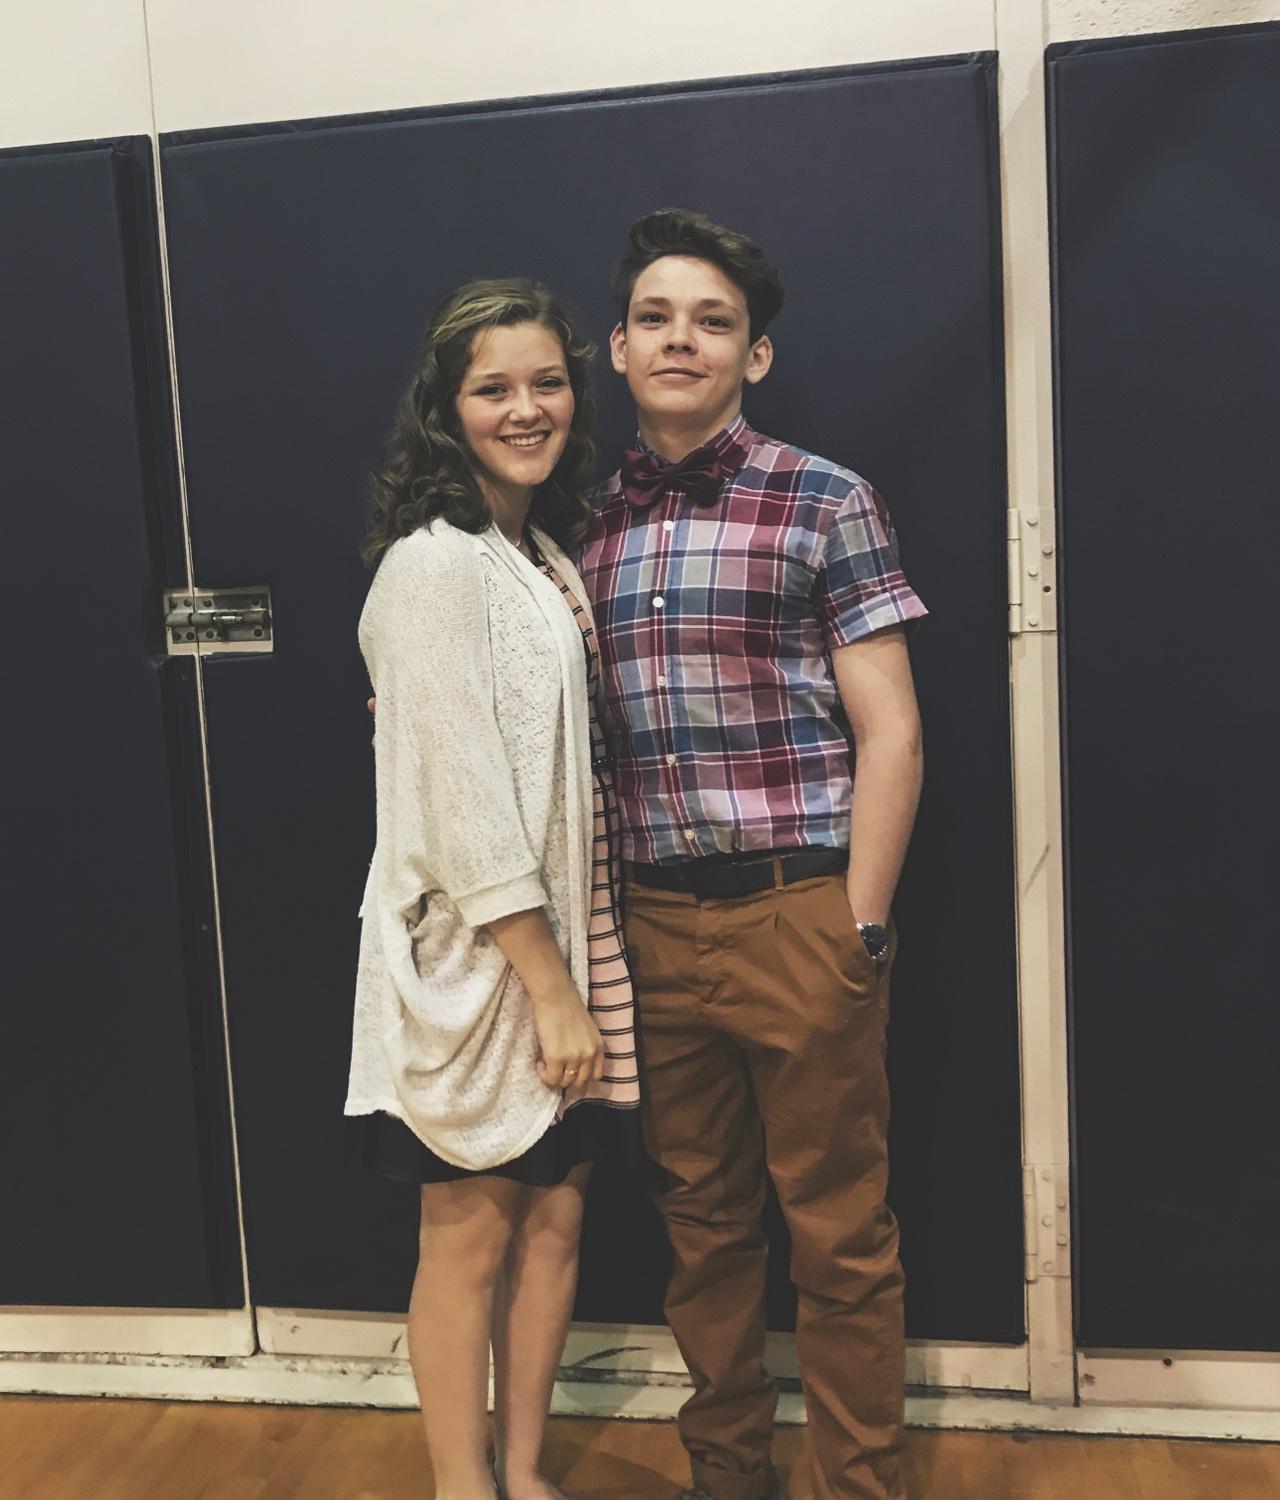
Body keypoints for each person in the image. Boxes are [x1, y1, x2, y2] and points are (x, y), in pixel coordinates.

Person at [578, 210, 927, 1500]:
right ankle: (727, 1473)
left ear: (754, 356)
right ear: (619, 347)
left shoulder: (827, 499)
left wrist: (860, 924)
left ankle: (858, 1486)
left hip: (800, 914)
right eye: (656, 317)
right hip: (654, 928)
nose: (683, 339)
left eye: (713, 321)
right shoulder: (580, 527)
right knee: (703, 1229)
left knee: (840, 1236)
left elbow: (893, 733)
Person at [345, 278, 646, 1500]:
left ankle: (523, 1473)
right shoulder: (432, 567)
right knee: (469, 1237)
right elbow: (465, 800)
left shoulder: (533, 552)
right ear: (445, 408)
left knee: (557, 1221)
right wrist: (551, 989)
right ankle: (462, 1489)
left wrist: (578, 977)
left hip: (574, 941)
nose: (527, 409)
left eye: (547, 383)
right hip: (491, 967)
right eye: (493, 389)